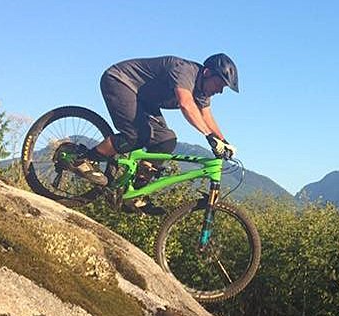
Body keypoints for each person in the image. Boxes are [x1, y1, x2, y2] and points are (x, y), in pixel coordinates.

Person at [69, 53, 240, 213]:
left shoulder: (202, 90)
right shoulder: (185, 70)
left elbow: (206, 115)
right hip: (121, 81)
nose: (220, 91)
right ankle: (83, 159)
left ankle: (136, 193)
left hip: (144, 98)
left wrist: (224, 141)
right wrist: (209, 136)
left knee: (166, 140)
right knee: (135, 135)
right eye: (219, 84)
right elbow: (186, 104)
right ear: (207, 72)